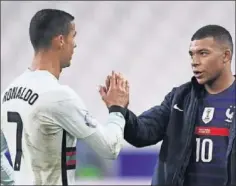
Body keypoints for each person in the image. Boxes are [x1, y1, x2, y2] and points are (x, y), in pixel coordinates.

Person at [1, 9, 129, 185]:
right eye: (73, 36)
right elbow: (110, 148)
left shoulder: (8, 93)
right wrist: (117, 109)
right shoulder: (58, 96)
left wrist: (11, 183)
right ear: (60, 40)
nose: (74, 44)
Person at [105, 25, 235, 186]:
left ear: (226, 56)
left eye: (203, 53)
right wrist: (119, 110)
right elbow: (142, 132)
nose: (195, 62)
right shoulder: (180, 98)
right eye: (191, 54)